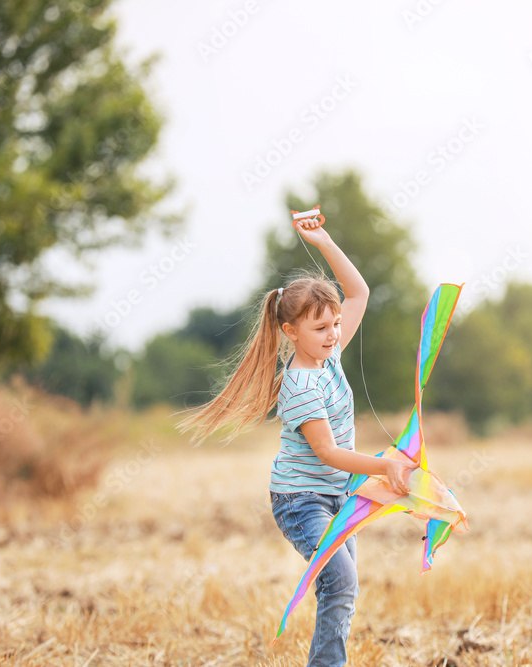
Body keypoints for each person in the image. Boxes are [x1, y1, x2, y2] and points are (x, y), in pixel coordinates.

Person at [175, 216, 416, 666]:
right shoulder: (301, 384)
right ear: (291, 333)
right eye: (321, 328)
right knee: (340, 581)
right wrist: (385, 466)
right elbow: (326, 451)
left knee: (344, 585)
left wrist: (323, 240)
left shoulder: (331, 357)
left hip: (338, 492)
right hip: (301, 499)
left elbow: (360, 292)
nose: (334, 334)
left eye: (336, 324)